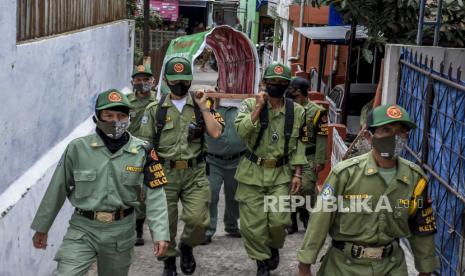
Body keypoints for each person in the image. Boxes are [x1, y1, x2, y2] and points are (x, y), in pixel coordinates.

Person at [31, 89, 170, 276]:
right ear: (97, 117)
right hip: (83, 229)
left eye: (121, 116)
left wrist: (160, 234)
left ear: (129, 119)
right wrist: (42, 227)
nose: (115, 121)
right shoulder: (77, 148)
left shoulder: (144, 150)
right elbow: (58, 188)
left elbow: (155, 194)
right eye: (108, 115)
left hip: (121, 232)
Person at [297, 104, 440, 276]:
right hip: (343, 267)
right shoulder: (345, 174)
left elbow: (422, 228)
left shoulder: (415, 179)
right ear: (368, 136)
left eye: (400, 131)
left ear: (407, 136)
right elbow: (320, 221)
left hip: (392, 267)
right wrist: (305, 265)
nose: (394, 137)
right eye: (386, 130)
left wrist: (425, 270)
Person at [140, 57, 224, 276]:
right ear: (166, 80)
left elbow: (215, 132)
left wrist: (204, 107)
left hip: (194, 173)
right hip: (164, 173)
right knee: (164, 224)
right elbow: (144, 147)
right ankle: (169, 261)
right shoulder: (154, 110)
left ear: (190, 80)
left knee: (198, 221)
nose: (180, 84)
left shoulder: (200, 106)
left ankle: (187, 246)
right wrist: (144, 179)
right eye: (175, 80)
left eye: (185, 80)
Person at [234, 63, 307, 276]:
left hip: (281, 174)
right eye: (272, 82)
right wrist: (258, 107)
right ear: (264, 83)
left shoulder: (297, 111)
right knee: (251, 226)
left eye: (282, 83)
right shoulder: (249, 104)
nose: (276, 86)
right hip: (251, 173)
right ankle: (262, 263)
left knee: (279, 220)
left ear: (288, 86)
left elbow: (300, 145)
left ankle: (274, 246)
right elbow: (241, 130)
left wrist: (298, 173)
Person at [201, 85, 246, 245]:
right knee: (211, 194)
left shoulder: (244, 106)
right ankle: (208, 230)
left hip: (237, 160)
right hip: (213, 161)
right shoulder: (210, 107)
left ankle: (232, 225)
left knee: (234, 195)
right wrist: (207, 99)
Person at [285, 77, 328, 233]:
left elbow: (322, 137)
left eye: (294, 92)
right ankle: (292, 220)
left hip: (309, 157)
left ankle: (304, 211)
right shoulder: (287, 108)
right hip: (290, 156)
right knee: (290, 188)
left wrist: (320, 160)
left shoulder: (317, 111)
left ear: (300, 92)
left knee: (307, 187)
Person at [127, 64, 157, 246]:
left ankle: (140, 225)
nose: (142, 83)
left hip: (151, 152)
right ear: (132, 82)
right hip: (130, 152)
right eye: (138, 80)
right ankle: (135, 227)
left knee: (146, 191)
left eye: (146, 79)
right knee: (133, 190)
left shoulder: (159, 101)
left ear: (152, 81)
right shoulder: (126, 102)